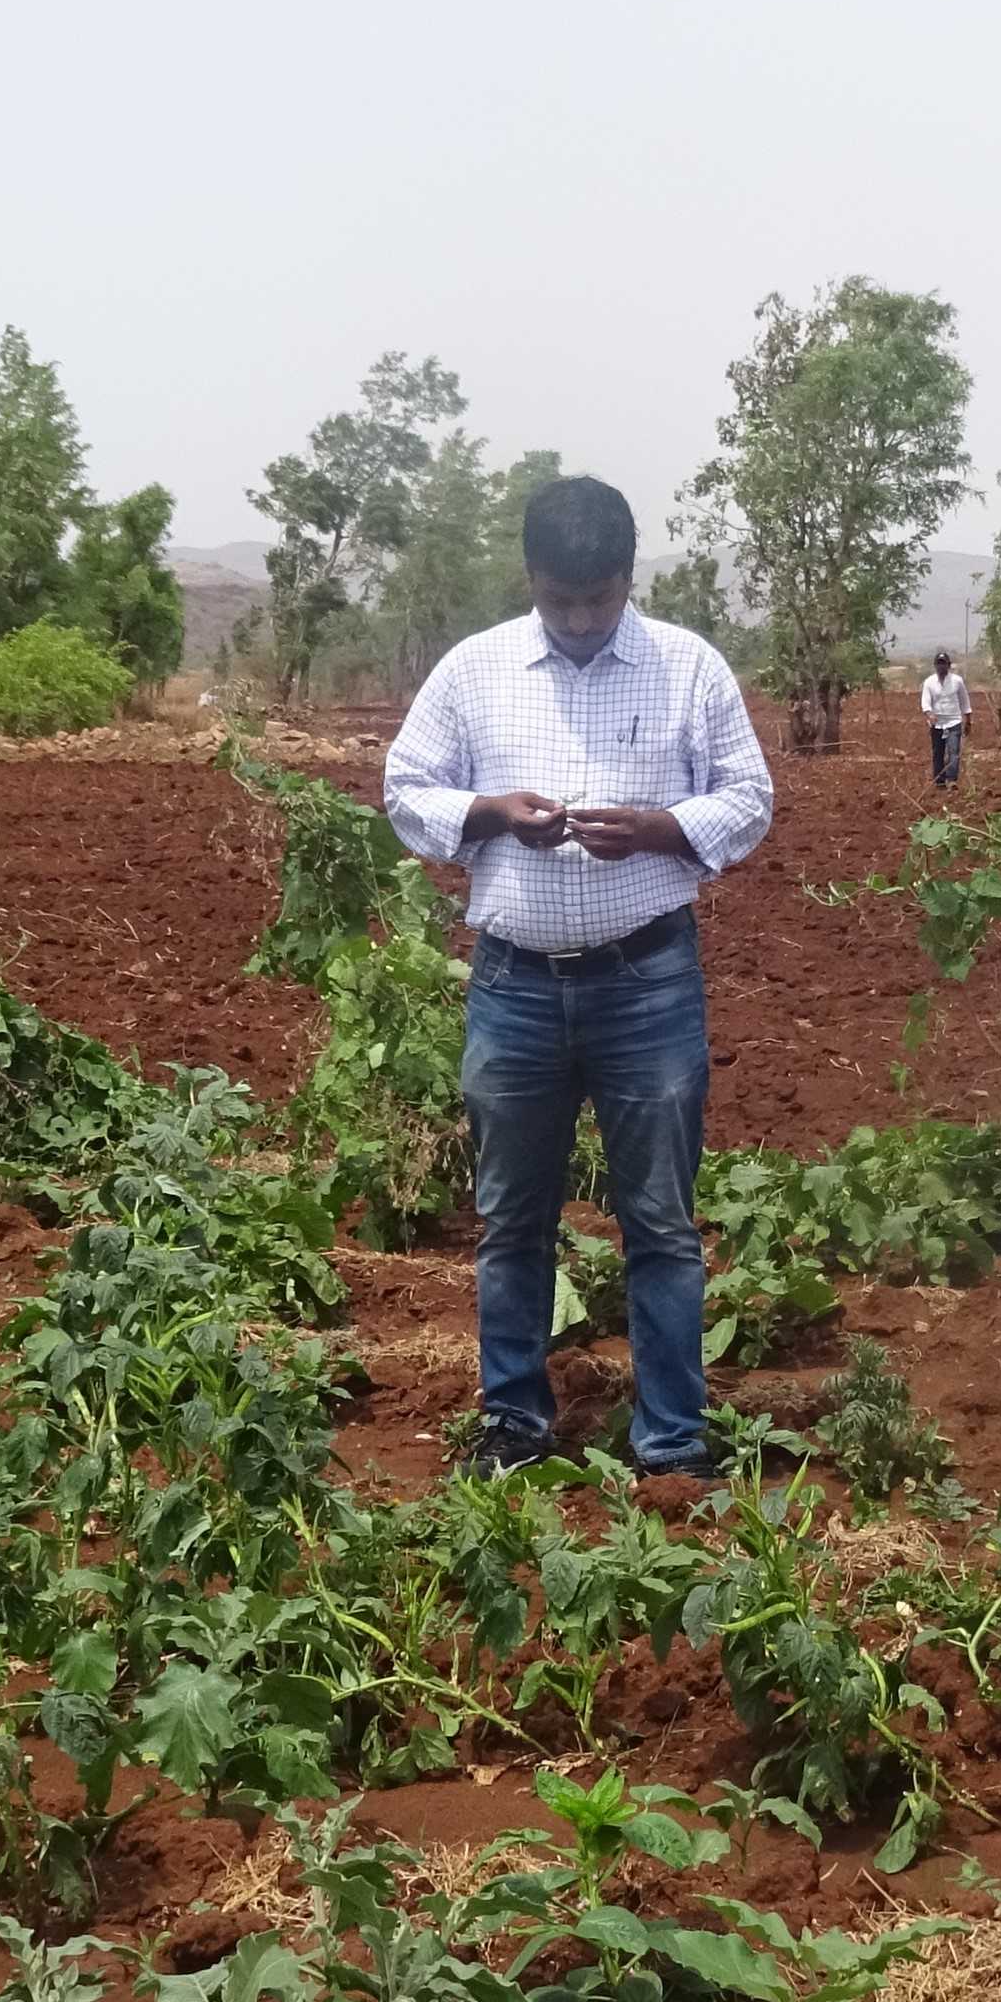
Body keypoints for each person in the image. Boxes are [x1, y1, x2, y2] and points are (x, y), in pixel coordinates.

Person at [380, 476, 776, 1478]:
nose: (582, 619)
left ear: (627, 579)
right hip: (513, 985)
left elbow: (750, 797)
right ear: (532, 580)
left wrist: (661, 830)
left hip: (647, 982)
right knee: (513, 1218)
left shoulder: (687, 668)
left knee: (660, 1221)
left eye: (599, 598)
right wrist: (488, 815)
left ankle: (674, 1443)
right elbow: (404, 785)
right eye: (562, 600)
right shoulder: (476, 672)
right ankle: (514, 1426)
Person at [919, 648, 969, 786]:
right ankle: (939, 780)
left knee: (953, 751)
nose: (941, 666)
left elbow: (965, 701)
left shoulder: (957, 681)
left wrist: (968, 719)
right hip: (937, 723)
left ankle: (952, 780)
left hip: (954, 722)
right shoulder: (929, 682)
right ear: (935, 665)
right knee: (938, 753)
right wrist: (929, 714)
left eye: (944, 663)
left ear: (949, 665)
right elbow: (925, 702)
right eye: (939, 663)